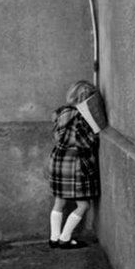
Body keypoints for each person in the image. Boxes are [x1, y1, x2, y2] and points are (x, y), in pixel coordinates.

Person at [47, 81, 101, 249]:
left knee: (59, 202)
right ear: (85, 98)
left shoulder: (60, 113)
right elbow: (85, 142)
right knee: (83, 205)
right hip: (75, 164)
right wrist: (96, 135)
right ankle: (65, 238)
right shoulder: (80, 117)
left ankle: (54, 238)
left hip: (58, 161)